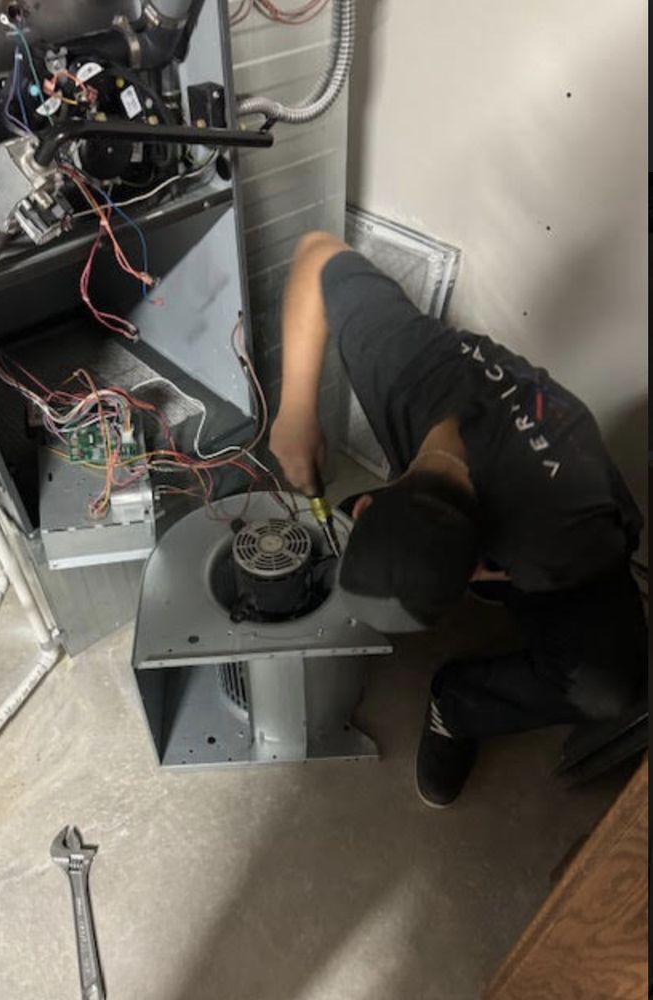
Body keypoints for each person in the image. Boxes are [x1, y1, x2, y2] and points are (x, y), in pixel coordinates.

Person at [269, 231, 647, 807]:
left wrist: (515, 579)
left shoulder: (562, 542)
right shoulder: (402, 364)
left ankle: (457, 706)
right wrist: (296, 408)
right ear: (369, 503)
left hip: (571, 547)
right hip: (504, 516)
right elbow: (317, 251)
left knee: (608, 689)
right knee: (382, 562)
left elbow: (613, 543)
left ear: (485, 570)